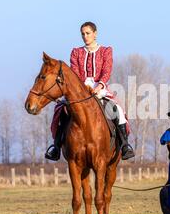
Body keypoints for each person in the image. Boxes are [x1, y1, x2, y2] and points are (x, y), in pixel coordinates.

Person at [45, 21, 135, 161]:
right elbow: (74, 73)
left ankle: (124, 145)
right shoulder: (76, 52)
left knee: (117, 110)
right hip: (80, 89)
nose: (85, 36)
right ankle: (56, 146)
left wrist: (99, 86)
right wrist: (79, 89)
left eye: (87, 33)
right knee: (60, 109)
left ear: (95, 34)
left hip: (100, 88)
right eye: (83, 34)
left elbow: (106, 71)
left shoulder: (106, 51)